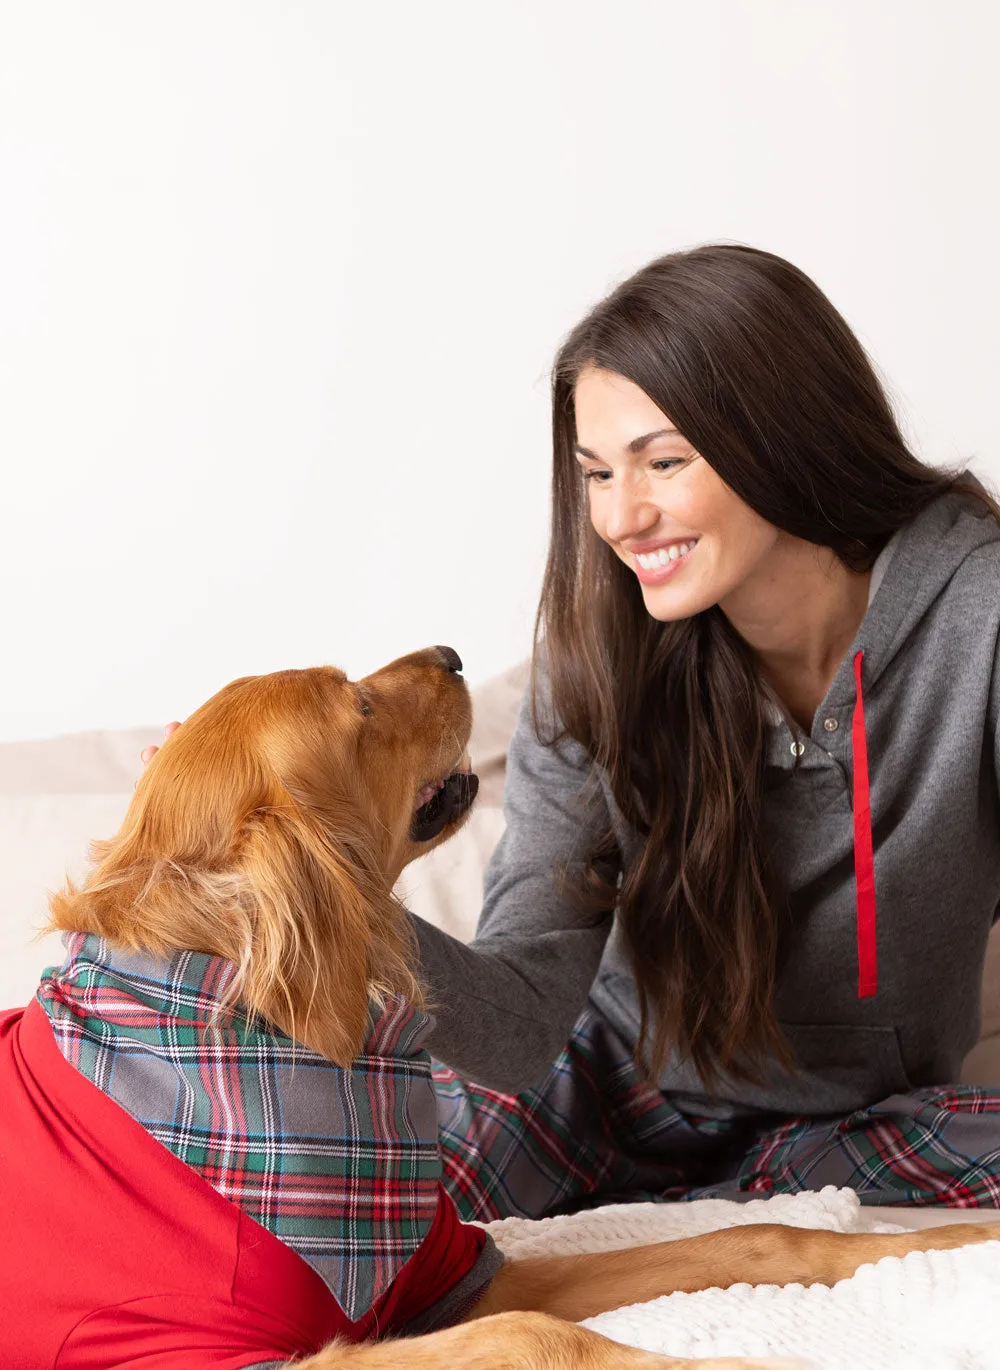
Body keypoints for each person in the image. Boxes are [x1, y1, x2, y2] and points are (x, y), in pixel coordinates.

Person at [145, 243, 1000, 1221]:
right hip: (591, 1091)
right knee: (315, 1215)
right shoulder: (597, 654)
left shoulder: (978, 612)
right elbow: (518, 1029)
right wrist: (319, 888)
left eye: (663, 462)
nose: (621, 516)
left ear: (785, 435)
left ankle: (735, 1206)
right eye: (596, 472)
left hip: (854, 1120)